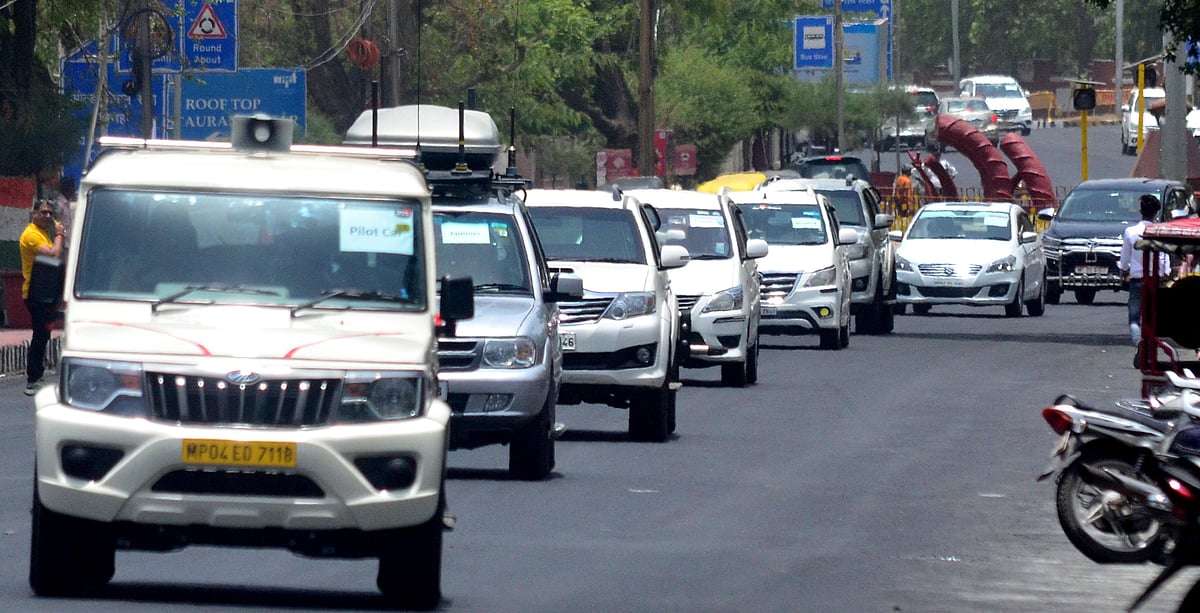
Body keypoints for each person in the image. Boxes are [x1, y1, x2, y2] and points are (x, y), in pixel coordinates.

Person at [19, 199, 65, 395]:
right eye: (43, 212)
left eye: (49, 213)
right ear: (34, 213)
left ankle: (38, 375)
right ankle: (33, 379)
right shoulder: (31, 235)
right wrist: (60, 234)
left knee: (44, 334)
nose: (47, 216)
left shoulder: (44, 233)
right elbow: (54, 254)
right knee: (39, 335)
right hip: (35, 292)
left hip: (46, 292)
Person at [1118, 194, 1167, 368]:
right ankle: (1150, 347)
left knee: (1134, 318)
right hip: (1156, 282)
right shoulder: (1161, 231)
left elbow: (1124, 260)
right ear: (1156, 213)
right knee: (1154, 318)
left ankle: (1139, 342)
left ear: (1140, 211)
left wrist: (1124, 271)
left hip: (1137, 281)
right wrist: (1165, 274)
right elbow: (1164, 260)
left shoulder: (1131, 232)